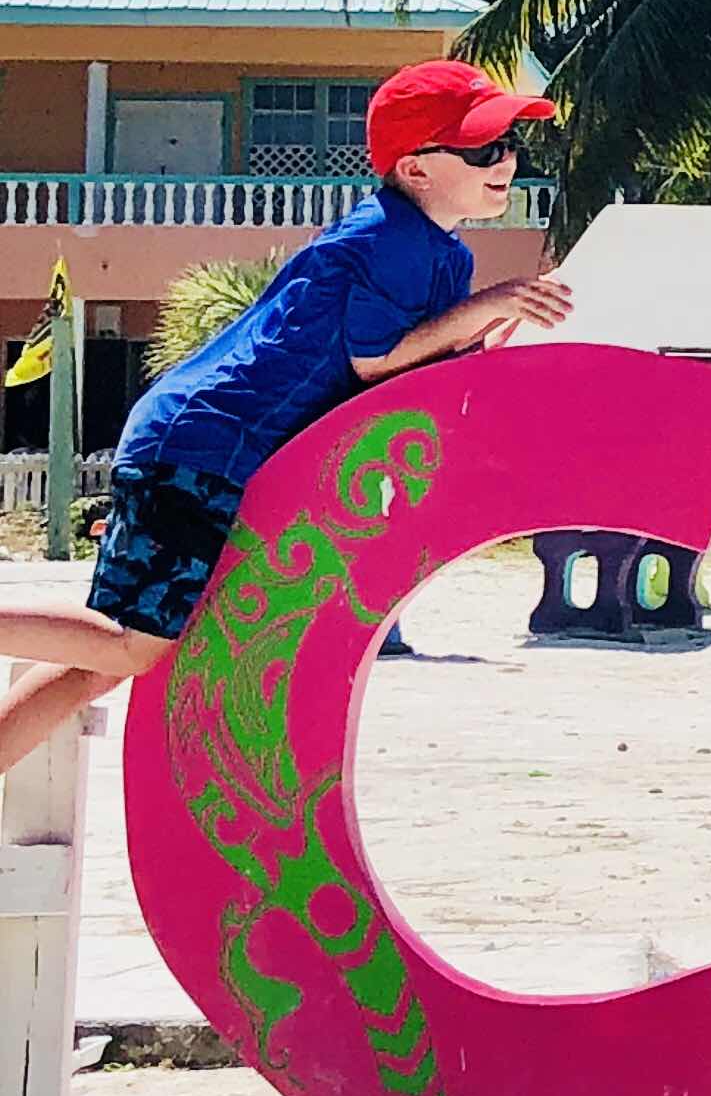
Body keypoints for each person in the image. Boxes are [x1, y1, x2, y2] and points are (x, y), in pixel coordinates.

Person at [0, 60, 568, 778]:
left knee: (104, 662)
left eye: (510, 145)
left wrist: (481, 335)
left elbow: (406, 374)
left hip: (201, 443)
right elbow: (374, 361)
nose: (507, 161)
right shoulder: (389, 240)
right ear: (416, 168)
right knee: (133, 644)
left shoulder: (440, 254)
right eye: (483, 150)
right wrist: (488, 308)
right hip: (203, 445)